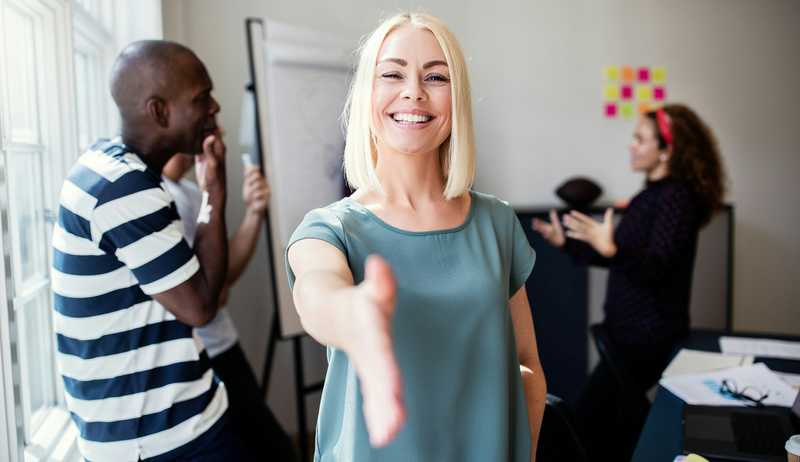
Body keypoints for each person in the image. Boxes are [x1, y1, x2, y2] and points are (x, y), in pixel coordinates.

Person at [286, 13, 546, 462]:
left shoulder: (497, 223)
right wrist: (356, 315)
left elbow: (527, 369)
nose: (414, 91)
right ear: (367, 93)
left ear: (457, 98)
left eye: (436, 76)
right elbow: (318, 293)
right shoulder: (330, 229)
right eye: (392, 73)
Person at [51, 41, 246, 460]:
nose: (214, 108)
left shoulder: (111, 168)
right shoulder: (125, 188)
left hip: (156, 426)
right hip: (161, 438)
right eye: (201, 98)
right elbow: (200, 306)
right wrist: (214, 192)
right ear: (159, 111)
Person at [533, 103, 727, 459]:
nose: (631, 145)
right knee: (607, 431)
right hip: (626, 336)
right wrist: (570, 246)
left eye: (640, 139)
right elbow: (623, 260)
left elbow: (656, 267)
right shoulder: (652, 196)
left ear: (667, 151)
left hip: (645, 339)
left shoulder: (676, 199)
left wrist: (612, 249)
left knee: (587, 429)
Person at [162, 151, 298, 461]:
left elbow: (223, 274)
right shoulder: (167, 198)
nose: (218, 128)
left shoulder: (190, 191)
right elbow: (214, 293)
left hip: (222, 345)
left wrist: (254, 212)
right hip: (204, 355)